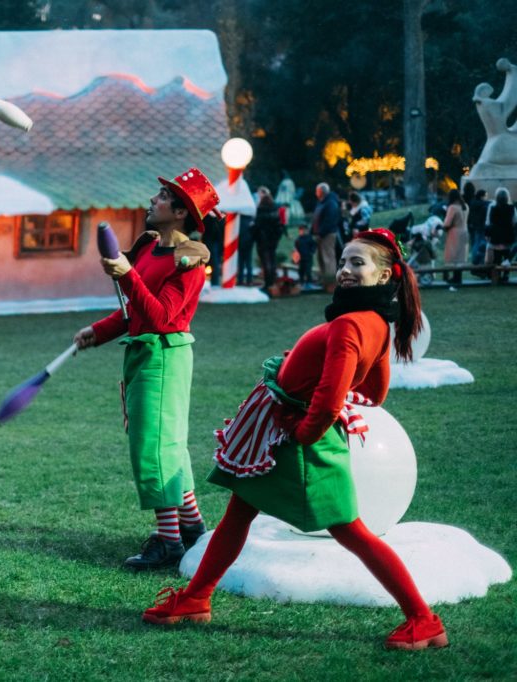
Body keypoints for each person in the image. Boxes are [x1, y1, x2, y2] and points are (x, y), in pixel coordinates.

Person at [140, 229, 449, 650]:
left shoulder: (350, 325)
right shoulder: (376, 323)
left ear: (384, 275)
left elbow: (330, 400)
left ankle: (423, 619)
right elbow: (376, 393)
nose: (345, 270)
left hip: (300, 443)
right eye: (343, 261)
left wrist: (301, 429)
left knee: (350, 531)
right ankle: (195, 598)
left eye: (357, 263)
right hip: (287, 437)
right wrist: (305, 370)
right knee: (238, 513)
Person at [73, 168, 220, 571]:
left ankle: (169, 541)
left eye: (163, 196)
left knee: (154, 448)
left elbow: (160, 318)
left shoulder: (189, 261)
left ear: (181, 212)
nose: (153, 200)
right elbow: (134, 312)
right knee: (166, 445)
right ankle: (191, 526)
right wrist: (98, 331)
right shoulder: (149, 248)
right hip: (143, 354)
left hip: (164, 356)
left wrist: (127, 276)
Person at [253, 186, 284, 291]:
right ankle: (272, 281)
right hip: (273, 240)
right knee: (272, 259)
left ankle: (268, 283)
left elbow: (257, 226)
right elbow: (279, 226)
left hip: (263, 240)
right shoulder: (275, 210)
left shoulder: (260, 210)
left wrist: (256, 236)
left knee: (266, 261)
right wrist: (277, 237)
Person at [311, 183, 341, 290]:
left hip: (327, 235)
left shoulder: (330, 203)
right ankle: (324, 280)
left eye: (317, 191)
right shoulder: (322, 202)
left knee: (328, 258)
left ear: (321, 191)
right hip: (320, 234)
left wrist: (321, 233)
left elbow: (329, 220)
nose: (315, 193)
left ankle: (331, 281)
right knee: (321, 258)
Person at [485, 187, 516, 282]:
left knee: (497, 257)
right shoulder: (511, 208)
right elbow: (514, 221)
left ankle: (496, 275)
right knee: (507, 256)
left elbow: (489, 222)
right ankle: (506, 275)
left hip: (496, 236)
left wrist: (487, 234)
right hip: (508, 235)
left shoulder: (493, 208)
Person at [441, 189, 469, 289]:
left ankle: (454, 278)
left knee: (453, 256)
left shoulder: (452, 207)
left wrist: (443, 225)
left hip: (455, 233)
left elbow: (447, 223)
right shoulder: (465, 206)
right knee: (461, 256)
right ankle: (458, 277)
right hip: (464, 231)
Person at [466, 187, 490, 265]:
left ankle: (475, 259)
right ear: (481, 196)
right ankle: (479, 260)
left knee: (475, 243)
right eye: (486, 196)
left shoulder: (473, 204)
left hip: (474, 227)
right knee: (481, 244)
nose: (487, 198)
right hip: (481, 227)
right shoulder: (483, 205)